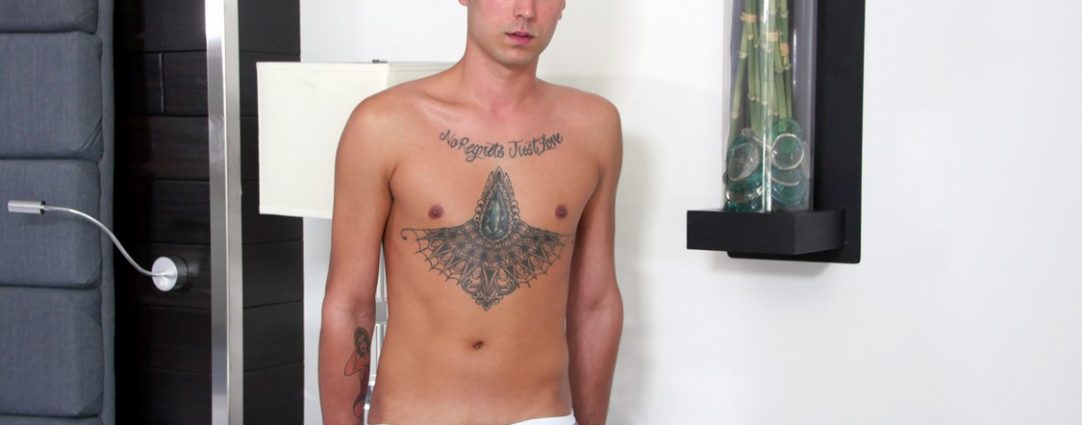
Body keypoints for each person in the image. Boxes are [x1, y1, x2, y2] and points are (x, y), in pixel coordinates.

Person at [318, 0, 623, 424]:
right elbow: (349, 306)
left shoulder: (593, 125)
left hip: (540, 414)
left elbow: (595, 303)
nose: (525, 10)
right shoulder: (384, 123)